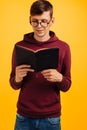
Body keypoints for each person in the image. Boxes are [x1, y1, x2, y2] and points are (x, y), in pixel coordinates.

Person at [9, 0, 72, 130]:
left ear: (52, 21)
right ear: (30, 20)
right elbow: (13, 84)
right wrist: (17, 78)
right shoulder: (19, 46)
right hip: (23, 117)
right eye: (35, 21)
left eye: (44, 21)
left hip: (51, 118)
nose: (39, 26)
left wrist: (59, 78)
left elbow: (67, 86)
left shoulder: (63, 48)